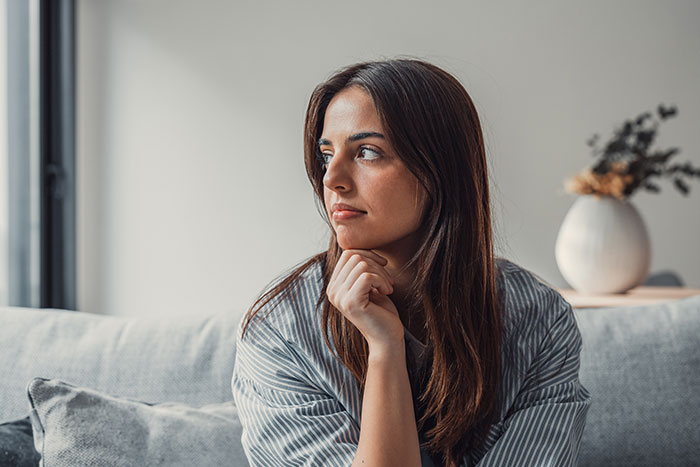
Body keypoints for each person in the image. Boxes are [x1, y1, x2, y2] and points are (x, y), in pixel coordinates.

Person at [231, 58, 591, 467]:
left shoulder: (538, 321)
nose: (332, 178)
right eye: (326, 154)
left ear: (440, 169)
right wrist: (385, 348)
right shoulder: (281, 331)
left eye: (367, 152)